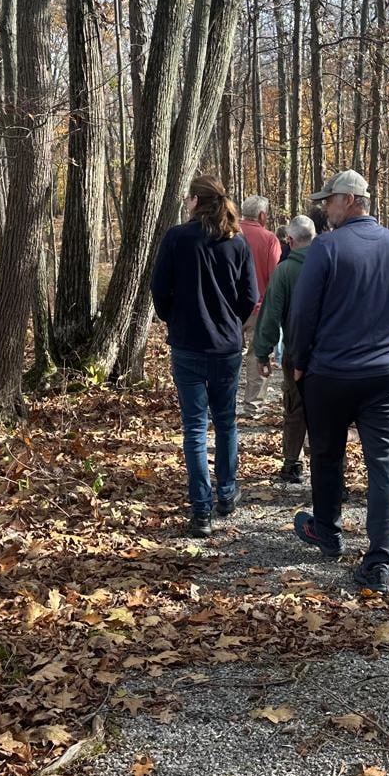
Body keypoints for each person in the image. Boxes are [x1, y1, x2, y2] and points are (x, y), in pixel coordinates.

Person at [286, 170, 389, 593]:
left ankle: (328, 530)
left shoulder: (327, 248)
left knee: (327, 455)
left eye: (330, 201)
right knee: (384, 462)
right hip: (385, 375)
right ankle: (378, 561)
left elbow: (303, 313)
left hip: (330, 374)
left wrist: (299, 360)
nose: (325, 208)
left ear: (350, 200)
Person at [151, 174, 259, 537]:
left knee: (196, 428)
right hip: (225, 346)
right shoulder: (236, 243)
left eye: (187, 197)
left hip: (189, 345)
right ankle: (226, 493)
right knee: (226, 421)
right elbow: (249, 296)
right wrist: (231, 323)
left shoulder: (178, 238)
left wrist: (177, 320)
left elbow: (159, 289)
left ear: (197, 201)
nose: (185, 202)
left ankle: (203, 509)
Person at [250, 214, 317, 484]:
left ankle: (292, 463)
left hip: (295, 351)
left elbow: (271, 314)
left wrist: (262, 352)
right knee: (329, 410)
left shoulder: (286, 270)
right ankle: (331, 468)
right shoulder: (332, 264)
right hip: (331, 353)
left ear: (289, 240)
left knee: (294, 406)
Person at [236, 195, 282, 416]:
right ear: (262, 215)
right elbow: (276, 277)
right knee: (257, 355)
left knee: (228, 355)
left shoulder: (229, 233)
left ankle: (223, 402)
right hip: (258, 308)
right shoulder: (269, 239)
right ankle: (252, 406)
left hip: (228, 310)